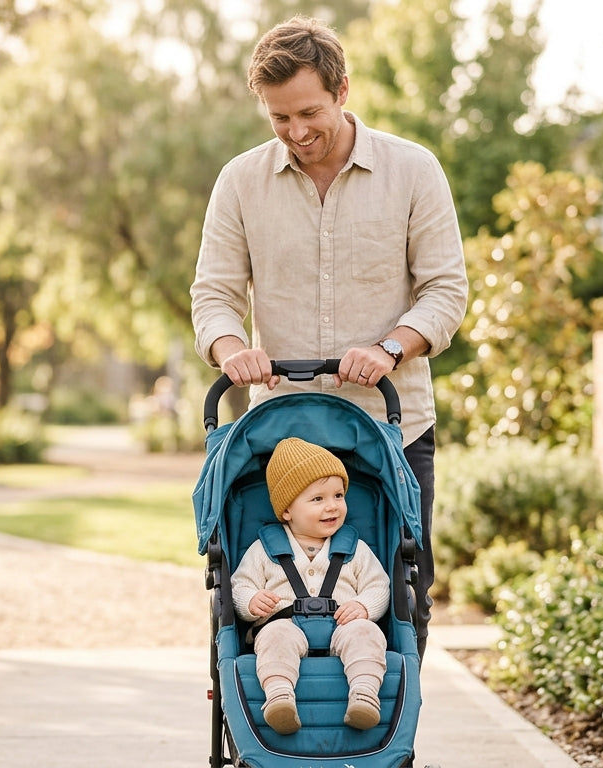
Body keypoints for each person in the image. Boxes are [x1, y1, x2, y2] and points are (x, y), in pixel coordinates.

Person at [190, 15, 468, 658]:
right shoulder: (240, 182)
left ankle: (387, 719)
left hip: (392, 428)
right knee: (265, 593)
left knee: (403, 596)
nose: (297, 131)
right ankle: (277, 712)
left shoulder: (413, 170)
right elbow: (214, 295)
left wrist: (391, 347)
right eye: (279, 118)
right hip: (281, 436)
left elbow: (445, 291)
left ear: (342, 90)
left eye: (309, 112)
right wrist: (232, 350)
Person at [231, 437, 389, 735]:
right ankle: (279, 698)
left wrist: (364, 605)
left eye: (339, 495)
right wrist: (250, 600)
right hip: (285, 625)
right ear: (287, 511)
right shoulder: (264, 549)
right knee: (274, 636)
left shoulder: (355, 548)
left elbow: (379, 586)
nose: (332, 506)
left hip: (343, 628)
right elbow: (239, 586)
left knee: (367, 634)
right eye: (318, 499)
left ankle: (365, 695)